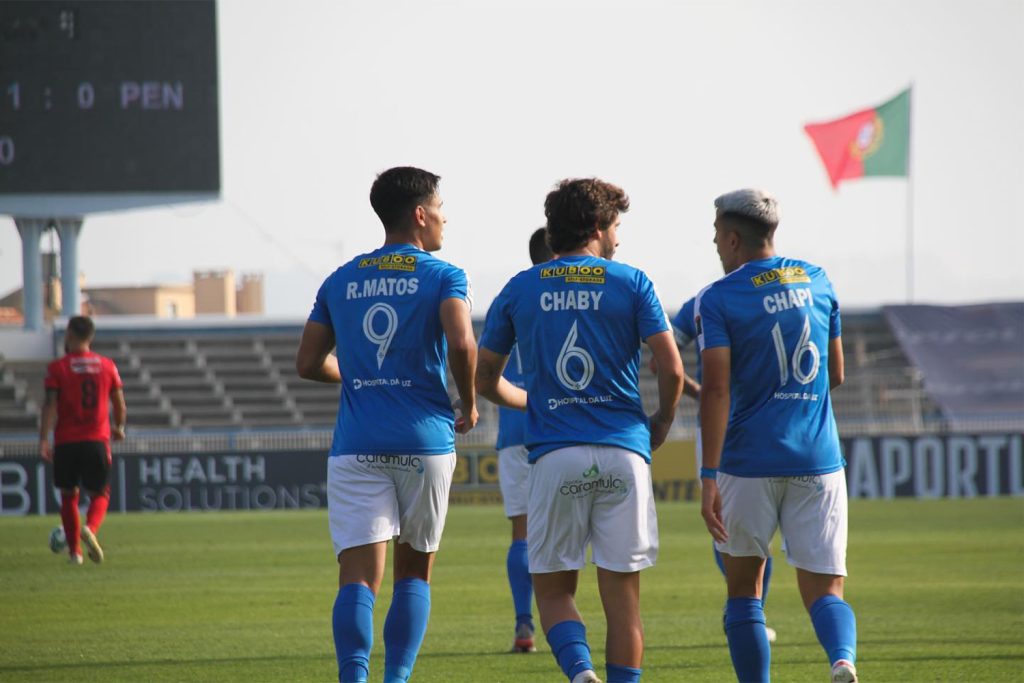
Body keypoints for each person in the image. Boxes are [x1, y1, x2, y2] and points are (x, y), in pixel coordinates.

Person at [476, 178, 683, 683]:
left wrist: (528, 398)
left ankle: (580, 670)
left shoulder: (522, 287)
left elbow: (484, 379)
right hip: (624, 455)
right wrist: (659, 423)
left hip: (554, 457)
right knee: (624, 606)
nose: (619, 239)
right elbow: (672, 370)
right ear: (596, 228)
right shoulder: (632, 282)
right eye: (616, 227)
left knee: (552, 591)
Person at [296, 166, 478, 683]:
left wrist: (354, 373)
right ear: (420, 214)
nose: (445, 217)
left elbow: (307, 363)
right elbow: (463, 343)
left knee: (356, 578)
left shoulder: (341, 278)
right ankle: (395, 679)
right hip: (425, 441)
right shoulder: (445, 276)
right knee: (414, 572)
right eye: (441, 207)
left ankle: (353, 678)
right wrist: (469, 402)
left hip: (357, 444)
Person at [696, 189, 857, 683]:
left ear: (733, 238)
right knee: (826, 591)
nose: (716, 246)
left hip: (748, 462)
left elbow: (717, 388)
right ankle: (842, 659)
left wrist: (707, 475)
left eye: (717, 237)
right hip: (818, 458)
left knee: (745, 592)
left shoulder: (719, 297)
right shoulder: (818, 280)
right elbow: (836, 374)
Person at [666, 295, 777, 643]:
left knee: (732, 528)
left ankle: (746, 611)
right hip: (762, 424)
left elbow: (662, 361)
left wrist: (703, 393)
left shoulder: (702, 301)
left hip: (718, 425)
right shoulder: (778, 298)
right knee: (743, 532)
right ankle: (750, 611)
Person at [492, 226, 554, 654]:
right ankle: (566, 624)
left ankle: (524, 624)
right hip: (562, 428)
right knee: (571, 533)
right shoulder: (574, 296)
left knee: (523, 533)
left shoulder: (512, 295)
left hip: (516, 430)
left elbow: (484, 363)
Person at [39, 315, 127, 565]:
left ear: (69, 334)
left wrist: (44, 439)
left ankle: (75, 553)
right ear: (91, 337)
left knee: (69, 495)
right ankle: (90, 527)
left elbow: (49, 405)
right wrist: (119, 427)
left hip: (66, 441)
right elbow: (119, 403)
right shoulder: (107, 366)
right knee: (101, 493)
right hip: (97, 439)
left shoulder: (58, 368)